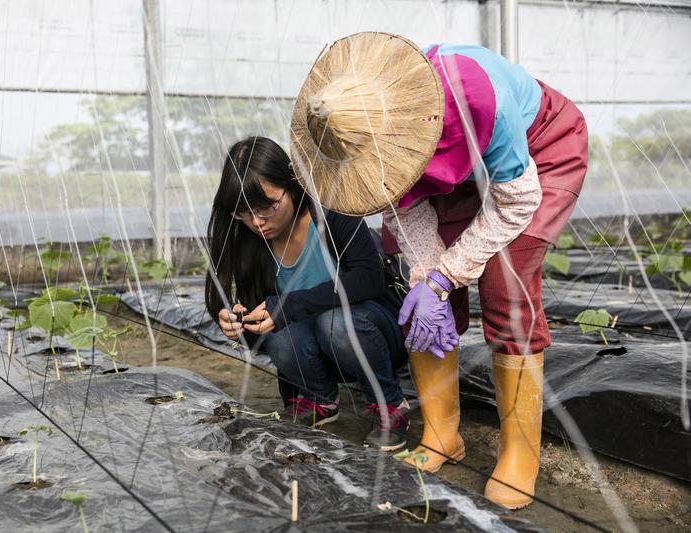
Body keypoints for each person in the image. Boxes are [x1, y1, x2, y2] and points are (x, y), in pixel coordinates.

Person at [290, 33, 587, 509]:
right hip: (453, 160)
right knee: (419, 296)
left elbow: (515, 203)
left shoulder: (474, 94)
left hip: (537, 148)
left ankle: (519, 453)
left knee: (505, 278)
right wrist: (429, 278)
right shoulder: (369, 141)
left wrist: (446, 275)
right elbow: (402, 209)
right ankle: (442, 435)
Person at [204, 136, 410, 451]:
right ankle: (320, 400)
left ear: (292, 184)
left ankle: (390, 404)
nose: (257, 222)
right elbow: (265, 335)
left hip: (372, 336)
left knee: (335, 322)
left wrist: (289, 305)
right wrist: (240, 326)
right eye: (243, 213)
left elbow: (370, 280)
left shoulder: (330, 213)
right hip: (321, 353)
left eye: (268, 206)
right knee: (280, 335)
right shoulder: (251, 244)